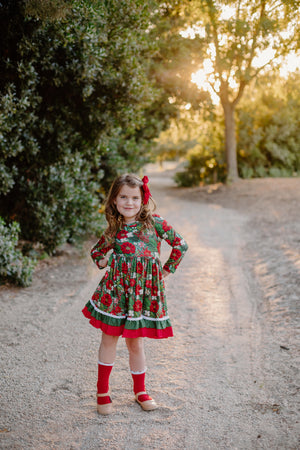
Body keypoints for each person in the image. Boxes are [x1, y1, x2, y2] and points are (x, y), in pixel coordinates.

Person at [82, 173, 188, 414]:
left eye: (134, 198)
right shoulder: (114, 229)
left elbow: (181, 245)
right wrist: (105, 261)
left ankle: (140, 391)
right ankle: (102, 392)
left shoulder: (155, 223)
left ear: (143, 199)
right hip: (115, 293)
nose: (129, 202)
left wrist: (165, 271)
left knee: (135, 343)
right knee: (109, 339)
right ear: (114, 200)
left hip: (140, 296)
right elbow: (96, 252)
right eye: (123, 197)